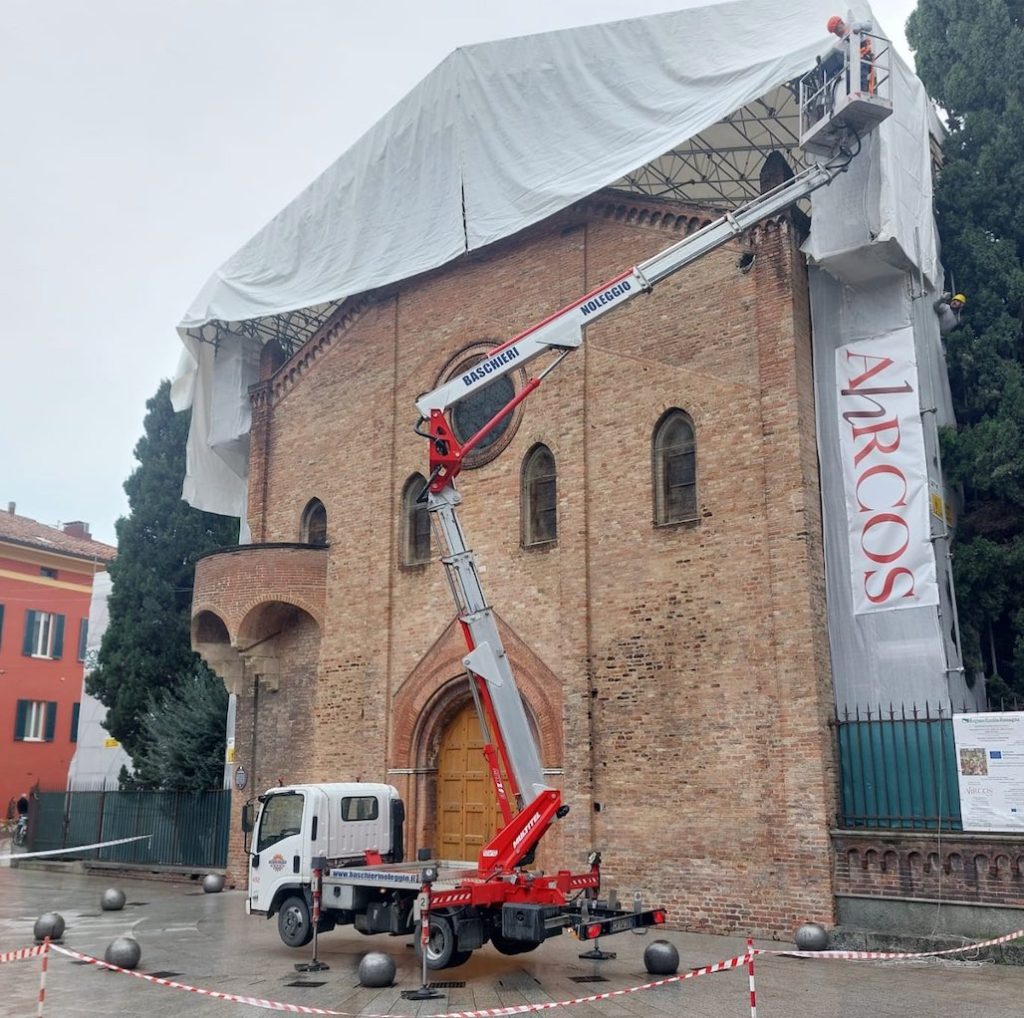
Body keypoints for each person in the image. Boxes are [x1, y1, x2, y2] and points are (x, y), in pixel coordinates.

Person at [827, 14, 875, 94]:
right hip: (855, 60)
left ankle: (862, 93)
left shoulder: (854, 25)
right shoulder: (843, 40)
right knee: (848, 76)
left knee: (861, 73)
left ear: (841, 23)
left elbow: (869, 25)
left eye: (837, 30)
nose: (837, 33)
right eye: (835, 32)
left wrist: (860, 27)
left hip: (865, 56)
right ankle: (851, 94)